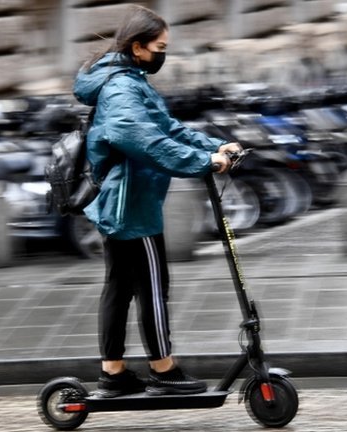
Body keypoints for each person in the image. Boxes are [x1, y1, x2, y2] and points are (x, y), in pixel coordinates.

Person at [73, 5, 241, 397]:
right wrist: (203, 162)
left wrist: (214, 146)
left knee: (120, 286)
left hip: (125, 201)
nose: (163, 54)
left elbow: (168, 128)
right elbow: (145, 141)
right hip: (132, 207)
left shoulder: (129, 79)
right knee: (151, 286)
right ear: (137, 47)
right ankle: (163, 369)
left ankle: (113, 374)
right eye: (159, 47)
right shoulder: (121, 88)